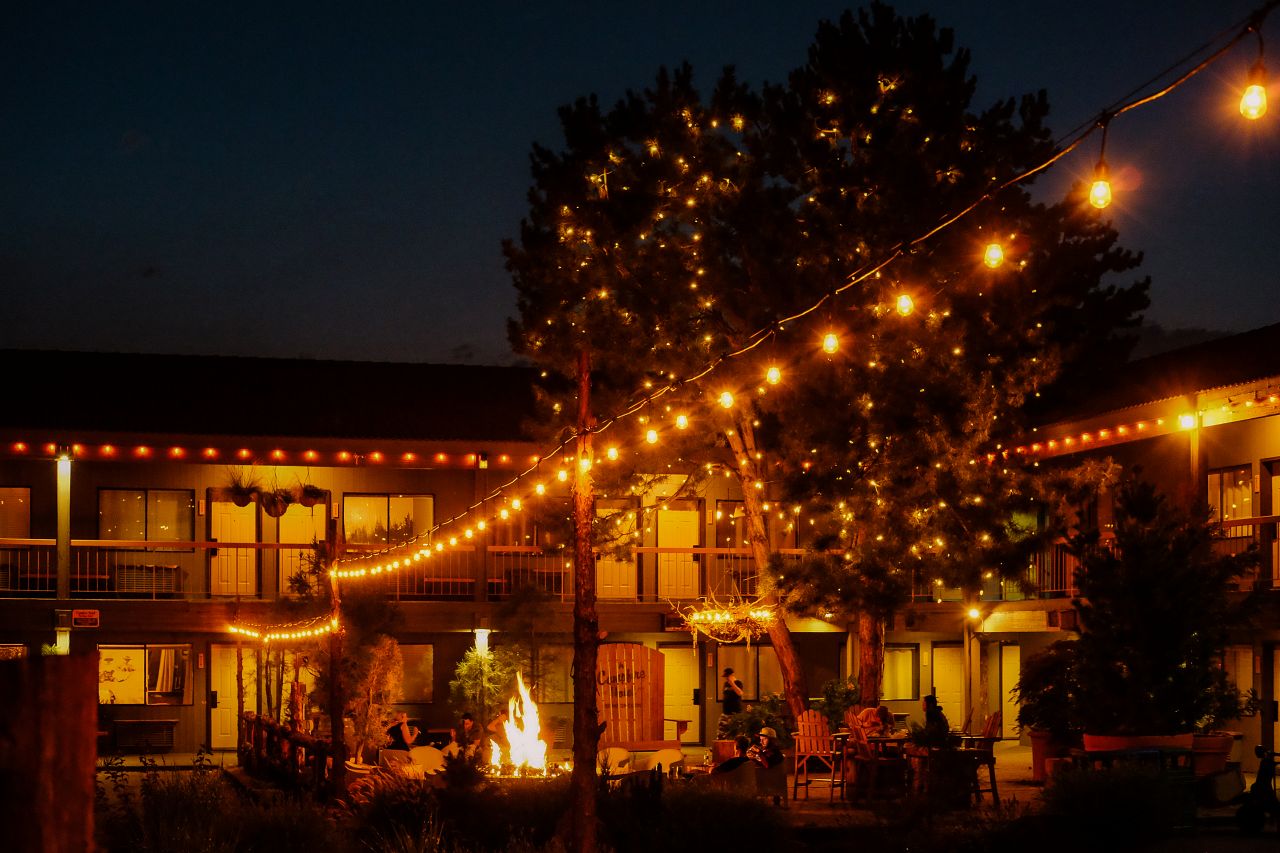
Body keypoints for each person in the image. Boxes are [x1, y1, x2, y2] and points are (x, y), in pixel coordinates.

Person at [717, 667, 745, 739]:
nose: (726, 678)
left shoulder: (738, 683)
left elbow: (740, 693)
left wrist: (732, 683)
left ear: (732, 675)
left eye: (727, 676)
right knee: (721, 731)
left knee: (736, 732)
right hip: (725, 712)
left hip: (735, 712)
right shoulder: (726, 684)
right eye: (725, 677)